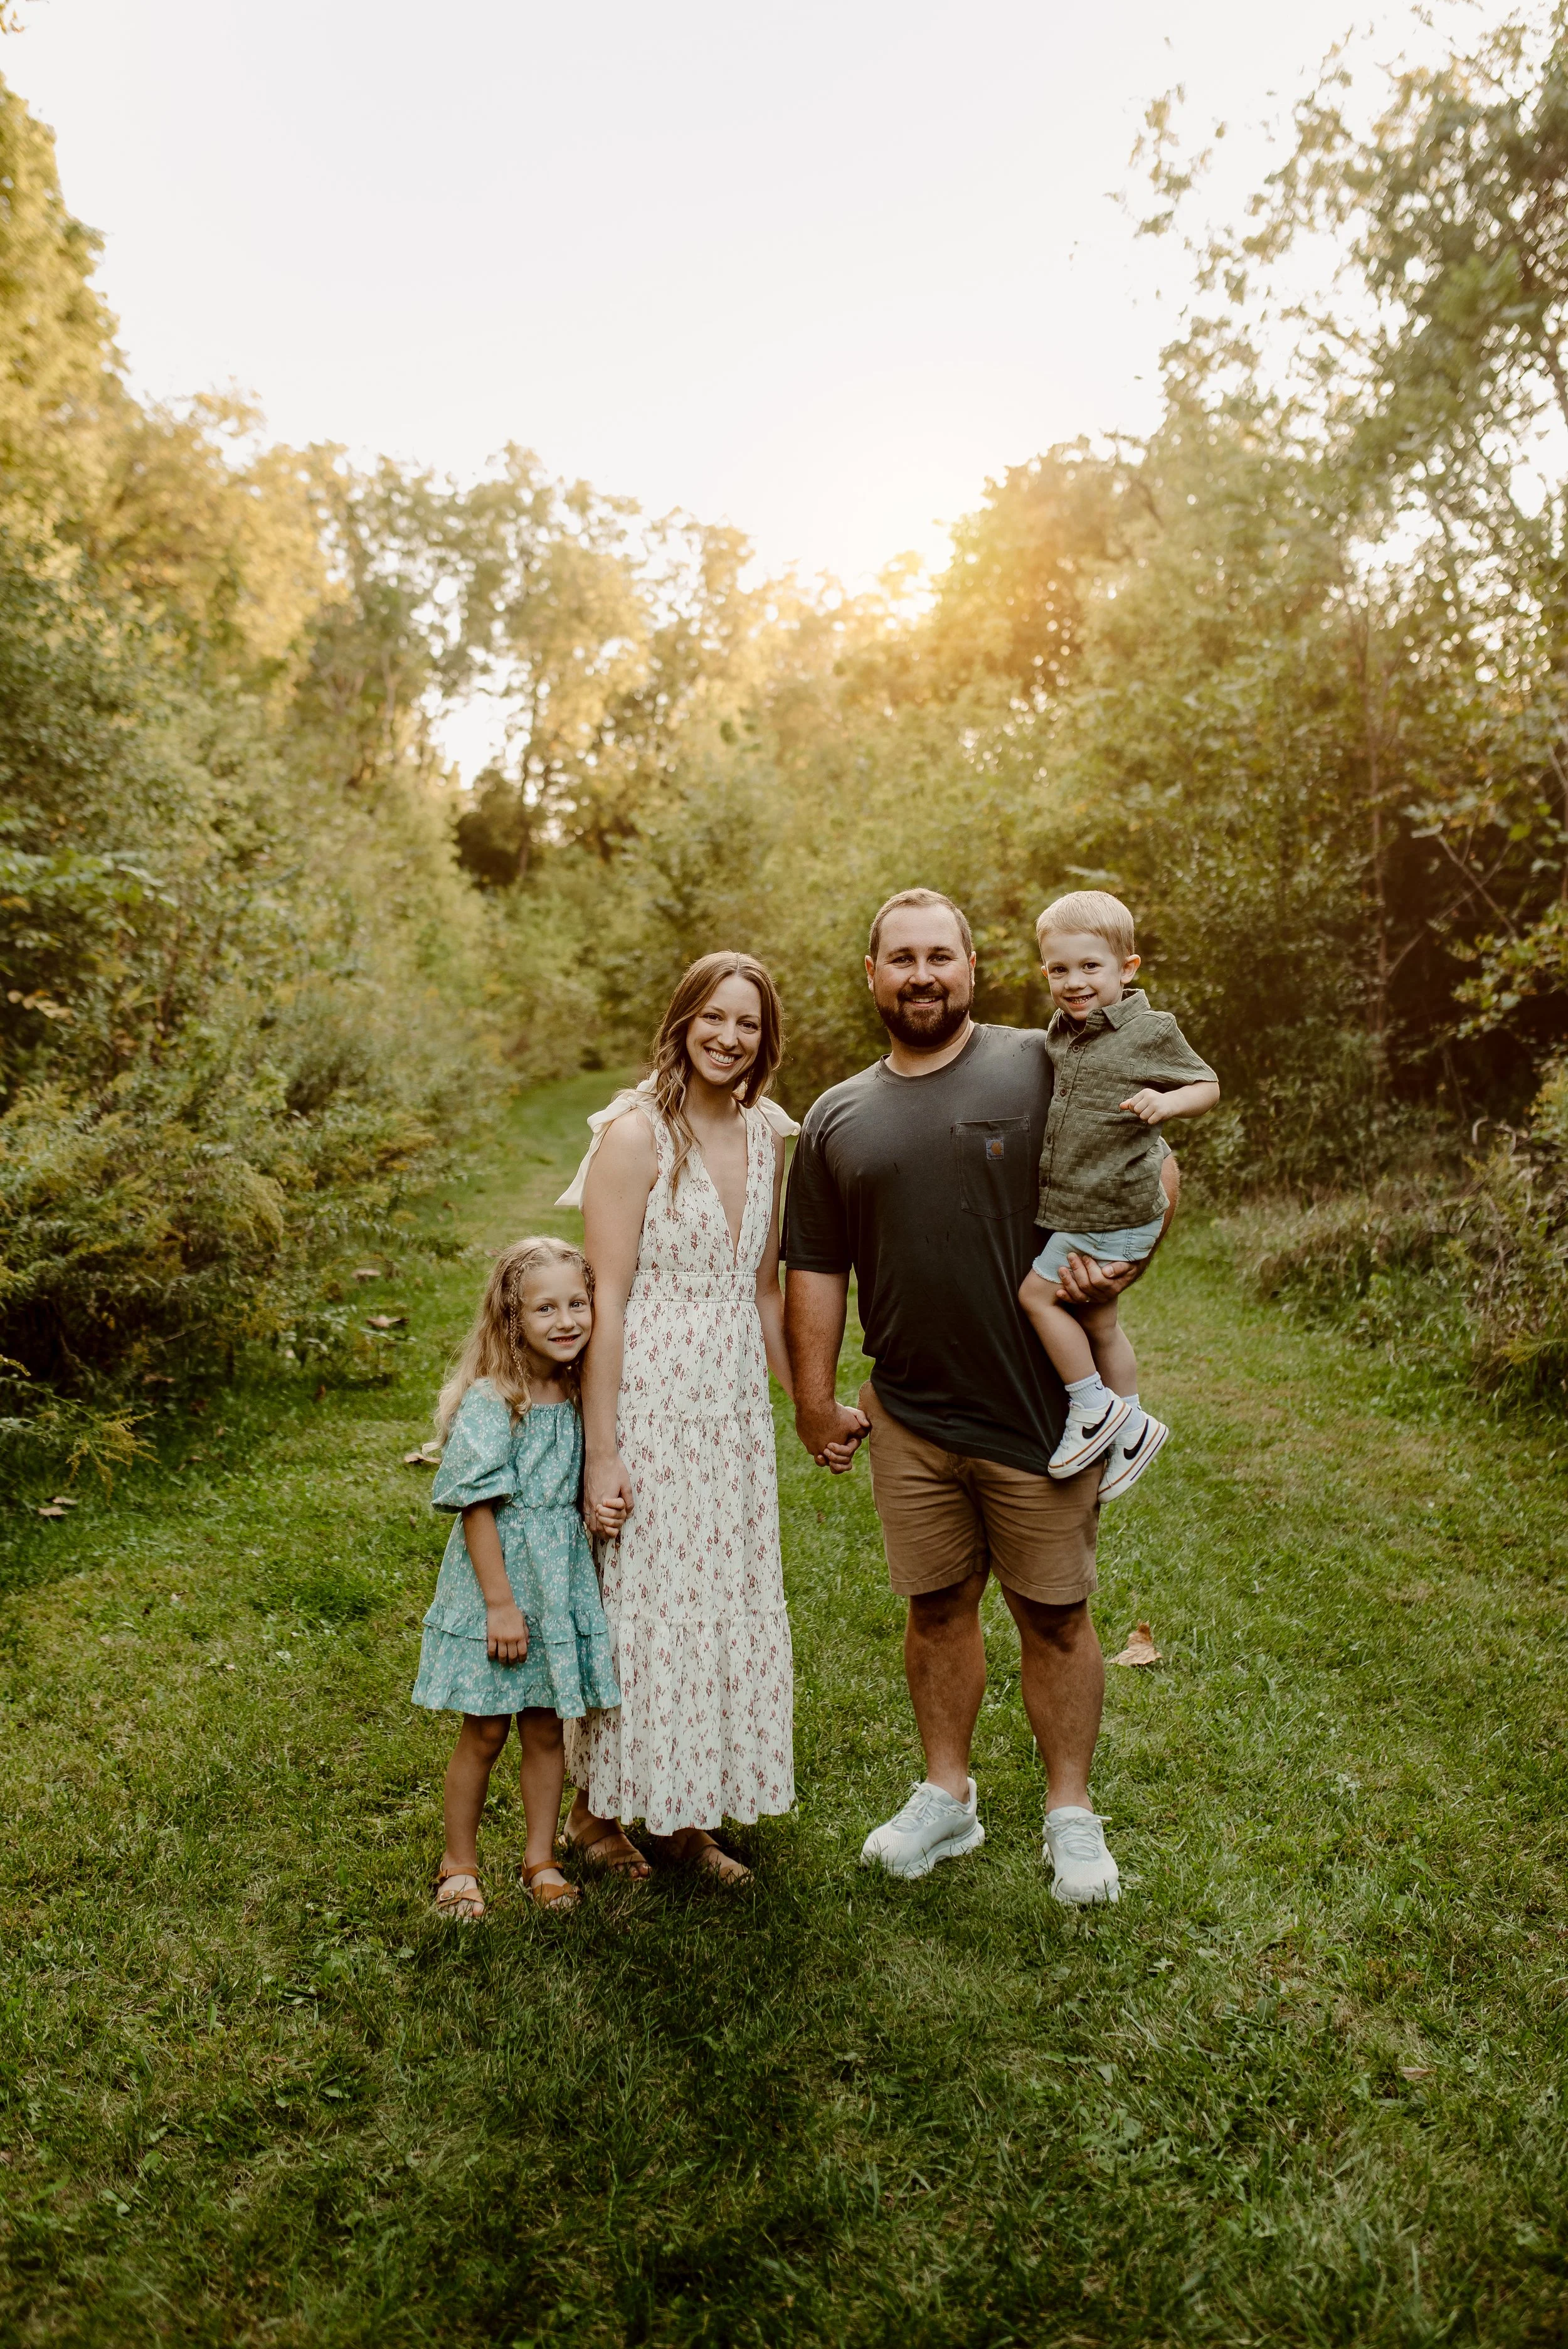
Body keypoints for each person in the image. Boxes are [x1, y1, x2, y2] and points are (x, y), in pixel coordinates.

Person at [783, 888, 1177, 1905]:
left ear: (973, 968)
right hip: (912, 1415)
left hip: (1041, 1415)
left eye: (940, 957)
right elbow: (816, 1268)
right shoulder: (838, 1115)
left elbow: (1153, 1163)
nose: (921, 975)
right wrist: (816, 1402)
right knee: (936, 1607)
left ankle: (1070, 1816)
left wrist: (1128, 1266)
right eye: (901, 958)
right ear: (871, 975)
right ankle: (948, 1798)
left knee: (1055, 1617)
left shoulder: (1041, 1063)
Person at [559, 952, 818, 1882]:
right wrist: (602, 1452)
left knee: (720, 1599)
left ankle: (682, 1812)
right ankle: (596, 1816)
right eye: (713, 1017)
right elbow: (608, 1298)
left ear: (766, 1038)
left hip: (733, 1411)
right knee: (645, 1605)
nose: (728, 1037)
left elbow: (762, 1291)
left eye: (747, 1022)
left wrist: (808, 1409)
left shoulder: (766, 1137)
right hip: (651, 1400)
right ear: (681, 1022)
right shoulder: (635, 1136)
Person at [413, 1236, 622, 1921]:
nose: (567, 1321)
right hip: (500, 1583)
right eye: (545, 1309)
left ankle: (541, 1858)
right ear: (512, 1320)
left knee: (544, 1728)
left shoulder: (577, 1387)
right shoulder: (495, 1399)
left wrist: (602, 1502)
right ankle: (458, 1864)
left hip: (555, 1581)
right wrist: (500, 1606)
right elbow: (477, 1508)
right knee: (486, 1730)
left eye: (578, 1303)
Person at [1018, 890, 1218, 1499]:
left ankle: (1093, 1407)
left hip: (1113, 1206)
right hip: (1093, 1208)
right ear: (1045, 972)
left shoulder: (1150, 1030)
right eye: (1059, 969)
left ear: (1126, 968)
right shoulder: (1063, 1033)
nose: (1074, 982)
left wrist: (1168, 1100)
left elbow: (1207, 1084)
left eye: (1090, 967)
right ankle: (1129, 1429)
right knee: (1101, 1322)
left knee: (1037, 1298)